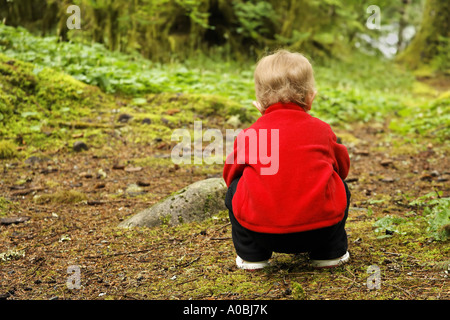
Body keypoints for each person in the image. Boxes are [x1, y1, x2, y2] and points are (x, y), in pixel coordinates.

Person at [223, 49, 351, 270]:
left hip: (261, 232)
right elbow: (342, 168)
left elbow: (230, 174)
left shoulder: (251, 134)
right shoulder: (322, 131)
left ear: (259, 104)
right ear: (310, 98)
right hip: (319, 229)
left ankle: (252, 256)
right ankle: (329, 253)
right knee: (341, 186)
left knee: (234, 189)